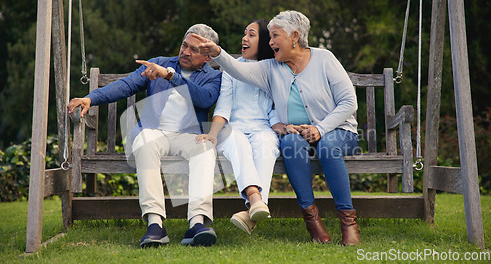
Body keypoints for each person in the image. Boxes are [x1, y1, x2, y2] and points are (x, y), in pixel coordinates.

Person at [193, 11, 361, 246]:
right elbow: (239, 70)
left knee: (328, 145)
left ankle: (348, 222)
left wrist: (321, 129)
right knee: (290, 143)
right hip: (299, 133)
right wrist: (217, 53)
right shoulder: (271, 68)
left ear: (294, 36)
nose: (270, 42)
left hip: (338, 131)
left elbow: (349, 103)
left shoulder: (325, 59)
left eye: (275, 36)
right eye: (269, 37)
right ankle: (312, 221)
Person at [67, 24, 222, 247]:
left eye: (194, 49)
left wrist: (170, 76)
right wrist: (91, 99)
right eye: (184, 45)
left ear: (207, 56)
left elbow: (204, 99)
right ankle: (155, 224)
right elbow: (126, 85)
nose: (185, 52)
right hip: (154, 132)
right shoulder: (159, 63)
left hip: (187, 136)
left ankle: (197, 223)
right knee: (144, 141)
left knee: (206, 148)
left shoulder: (213, 77)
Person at [196, 20, 281, 234]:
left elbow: (274, 108)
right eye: (244, 34)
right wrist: (213, 134)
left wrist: (278, 125)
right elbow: (223, 106)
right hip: (233, 128)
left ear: (263, 41)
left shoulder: (273, 69)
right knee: (239, 143)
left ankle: (251, 212)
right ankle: (255, 198)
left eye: (251, 35)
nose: (244, 38)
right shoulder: (231, 68)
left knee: (266, 144)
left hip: (263, 128)